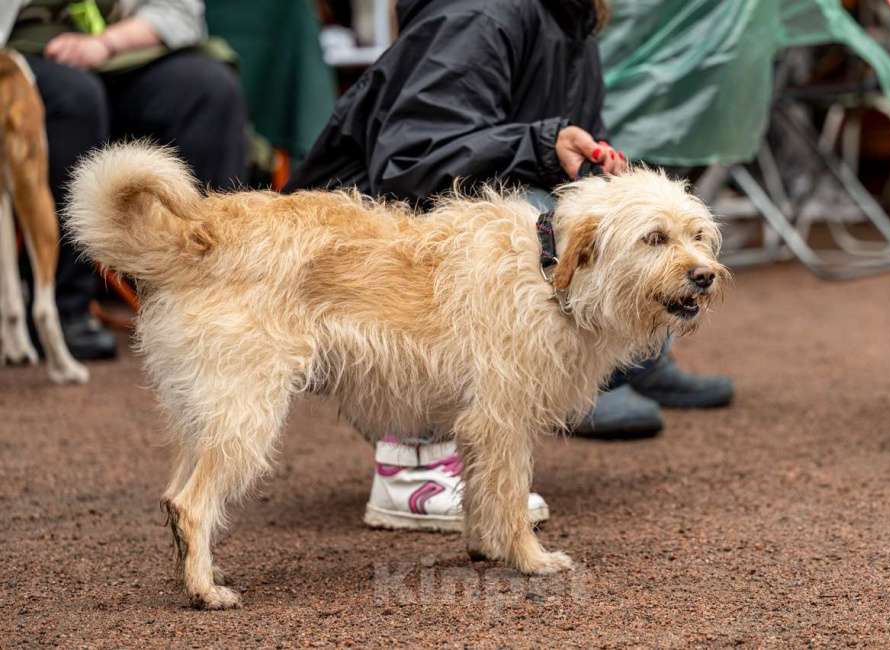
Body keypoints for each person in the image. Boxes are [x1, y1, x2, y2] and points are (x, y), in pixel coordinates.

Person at [285, 0, 733, 531]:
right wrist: (542, 144)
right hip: (360, 247)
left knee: (605, 226)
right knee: (535, 220)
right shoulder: (478, 13)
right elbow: (410, 162)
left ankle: (630, 359)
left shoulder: (574, 18)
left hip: (449, 210)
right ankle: (415, 464)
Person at [5, 0, 247, 360]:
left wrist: (105, 44)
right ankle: (66, 304)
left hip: (116, 51)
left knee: (210, 90)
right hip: (23, 59)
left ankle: (208, 294)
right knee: (77, 99)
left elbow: (178, 11)